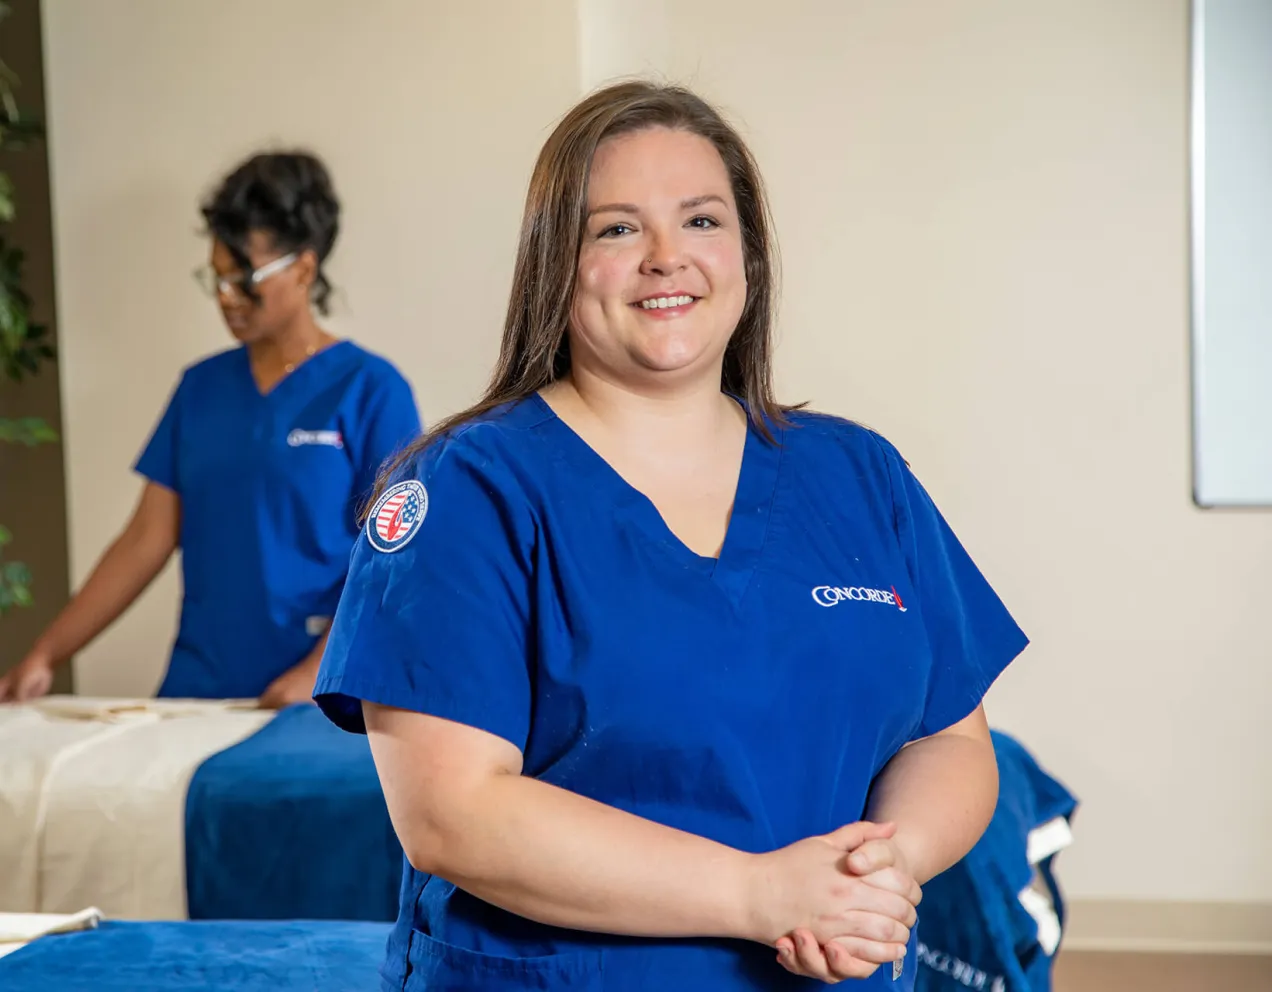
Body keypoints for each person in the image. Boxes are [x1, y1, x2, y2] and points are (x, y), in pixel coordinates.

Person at [313, 82, 1028, 990]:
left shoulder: (858, 473)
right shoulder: (467, 488)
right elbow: (452, 814)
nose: (665, 258)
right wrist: (762, 895)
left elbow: (954, 741)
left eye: (700, 221)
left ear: (748, 257)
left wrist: (882, 870)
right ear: (554, 265)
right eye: (616, 229)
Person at [0, 151, 421, 707]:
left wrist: (318, 672)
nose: (226, 297)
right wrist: (47, 653)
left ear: (303, 267)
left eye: (244, 279)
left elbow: (392, 560)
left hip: (314, 698)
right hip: (198, 693)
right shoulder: (200, 390)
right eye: (217, 278)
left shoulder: (370, 391)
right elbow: (142, 542)